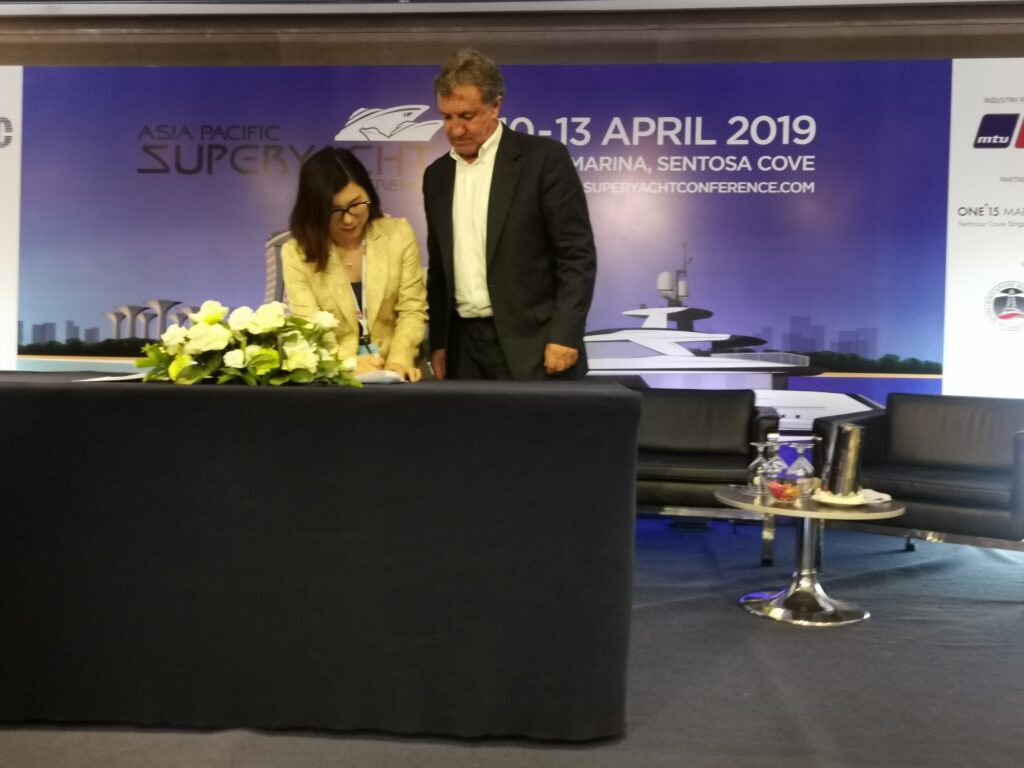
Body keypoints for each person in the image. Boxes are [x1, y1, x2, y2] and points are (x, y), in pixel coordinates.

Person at [423, 49, 597, 381]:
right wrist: (440, 342)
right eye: (446, 117)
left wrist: (565, 332)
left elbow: (576, 256)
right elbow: (440, 268)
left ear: (496, 106)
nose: (455, 130)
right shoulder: (436, 176)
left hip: (537, 346)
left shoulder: (544, 160)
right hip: (464, 351)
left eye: (466, 116)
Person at [282, 146, 428, 381]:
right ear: (315, 211)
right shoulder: (297, 253)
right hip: (333, 381)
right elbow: (309, 328)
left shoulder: (398, 234)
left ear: (368, 193)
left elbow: (412, 309)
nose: (348, 219)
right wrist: (348, 364)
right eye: (334, 211)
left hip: (394, 375)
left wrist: (398, 362)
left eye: (356, 204)